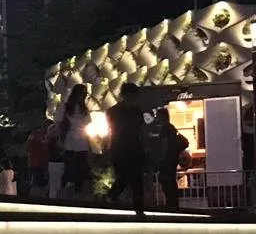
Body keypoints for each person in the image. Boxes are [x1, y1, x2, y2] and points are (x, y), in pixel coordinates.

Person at [105, 84, 148, 215]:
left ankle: (114, 196)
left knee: (126, 178)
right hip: (132, 147)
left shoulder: (112, 111)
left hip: (120, 148)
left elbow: (111, 132)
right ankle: (137, 208)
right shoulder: (136, 111)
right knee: (134, 179)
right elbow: (141, 131)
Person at [57, 85, 95, 198]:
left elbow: (88, 123)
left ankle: (77, 192)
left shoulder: (84, 109)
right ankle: (64, 190)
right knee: (70, 167)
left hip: (81, 141)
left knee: (81, 168)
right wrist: (60, 138)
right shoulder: (65, 107)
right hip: (70, 140)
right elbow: (59, 123)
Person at [149, 113, 190, 211]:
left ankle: (170, 203)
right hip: (172, 158)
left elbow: (165, 144)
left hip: (167, 159)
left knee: (166, 180)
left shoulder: (165, 128)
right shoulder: (171, 127)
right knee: (170, 180)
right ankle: (173, 202)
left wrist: (161, 158)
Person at [25, 121, 53, 199]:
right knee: (35, 184)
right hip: (35, 164)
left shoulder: (51, 135)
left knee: (45, 184)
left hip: (47, 164)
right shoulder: (35, 134)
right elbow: (28, 147)